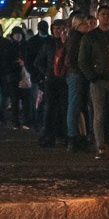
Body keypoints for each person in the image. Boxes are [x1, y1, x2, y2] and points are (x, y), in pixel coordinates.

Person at [79, 7, 109, 158]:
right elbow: (83, 60)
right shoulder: (90, 37)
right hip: (98, 80)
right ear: (98, 17)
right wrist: (92, 77)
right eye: (103, 14)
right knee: (99, 114)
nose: (106, 17)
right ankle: (101, 145)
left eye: (108, 14)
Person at [38, 19, 68, 147]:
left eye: (60, 28)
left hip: (65, 80)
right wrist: (46, 72)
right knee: (50, 108)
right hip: (51, 80)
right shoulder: (48, 44)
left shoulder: (67, 43)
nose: (57, 31)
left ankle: (64, 134)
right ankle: (48, 136)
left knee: (64, 108)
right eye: (55, 28)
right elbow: (38, 61)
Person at [64, 12, 91, 152]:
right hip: (77, 74)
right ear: (78, 25)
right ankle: (73, 137)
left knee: (77, 106)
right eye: (85, 24)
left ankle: (78, 135)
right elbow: (75, 59)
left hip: (76, 74)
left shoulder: (74, 38)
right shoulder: (78, 38)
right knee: (74, 106)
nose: (87, 26)